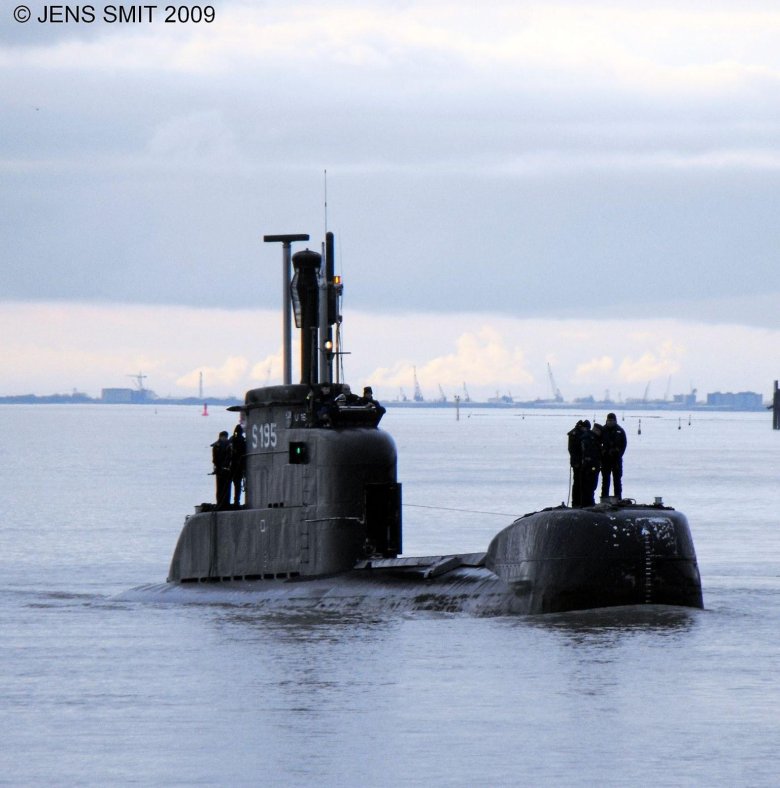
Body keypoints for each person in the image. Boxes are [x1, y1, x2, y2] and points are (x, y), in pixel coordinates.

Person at [600, 412, 627, 499]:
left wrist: (619, 454)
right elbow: (597, 443)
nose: (610, 422)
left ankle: (618, 498)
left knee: (617, 480)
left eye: (612, 420)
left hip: (616, 459)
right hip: (605, 459)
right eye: (609, 420)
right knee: (605, 480)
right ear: (606, 421)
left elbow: (624, 444)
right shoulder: (603, 430)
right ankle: (604, 498)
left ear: (615, 421)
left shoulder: (620, 431)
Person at [579, 420, 601, 507]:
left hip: (591, 465)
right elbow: (589, 452)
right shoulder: (589, 438)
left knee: (589, 485)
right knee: (589, 484)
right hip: (589, 465)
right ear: (596, 430)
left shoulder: (591, 437)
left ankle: (587, 502)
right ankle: (587, 502)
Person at [211, 430, 232, 510]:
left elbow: (214, 459)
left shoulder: (216, 445)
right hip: (225, 470)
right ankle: (225, 503)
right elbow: (229, 457)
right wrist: (225, 466)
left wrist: (217, 467)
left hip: (219, 470)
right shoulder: (228, 445)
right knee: (225, 488)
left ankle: (220, 503)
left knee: (220, 488)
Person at [567, 420, 585, 506]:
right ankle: (576, 502)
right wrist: (577, 462)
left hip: (578, 462)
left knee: (579, 482)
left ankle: (577, 501)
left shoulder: (576, 433)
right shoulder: (575, 434)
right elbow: (573, 450)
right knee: (578, 482)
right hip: (577, 462)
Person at [229, 424, 246, 507]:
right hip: (238, 467)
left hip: (230, 467)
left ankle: (225, 502)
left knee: (228, 485)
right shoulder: (242, 440)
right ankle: (236, 502)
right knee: (237, 485)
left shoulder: (231, 439)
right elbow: (243, 453)